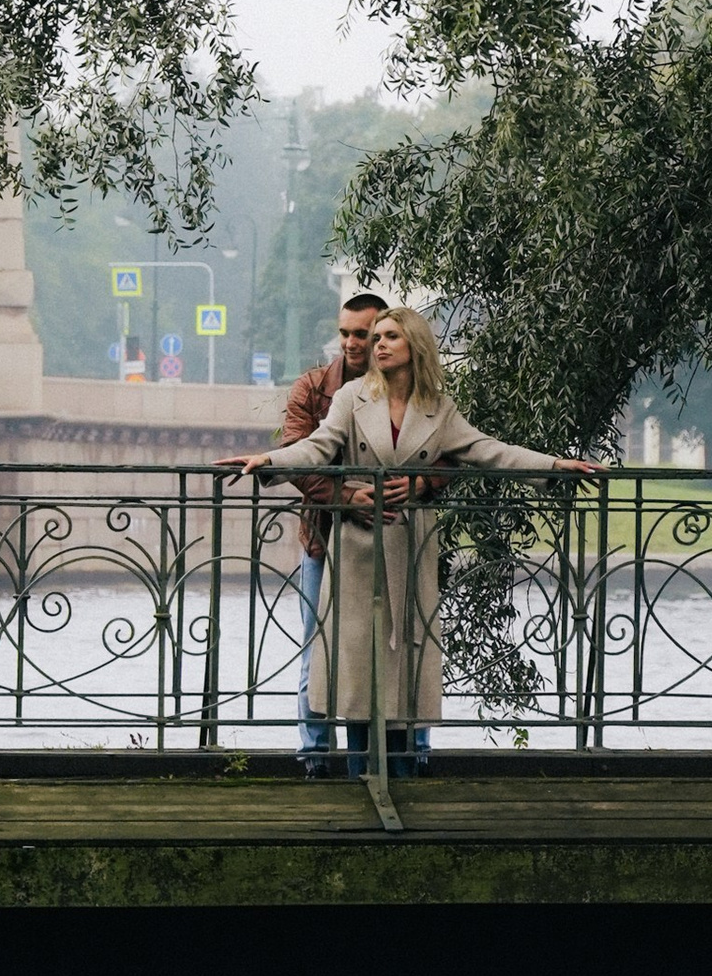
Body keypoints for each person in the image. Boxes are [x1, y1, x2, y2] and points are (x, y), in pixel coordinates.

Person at [248, 306, 602, 774]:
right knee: (356, 663)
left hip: (410, 547)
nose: (378, 345)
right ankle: (360, 776)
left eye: (389, 336)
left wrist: (553, 466)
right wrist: (270, 461)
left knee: (405, 657)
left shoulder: (438, 407)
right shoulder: (352, 397)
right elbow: (317, 446)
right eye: (377, 338)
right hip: (356, 548)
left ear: (414, 345)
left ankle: (404, 774)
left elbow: (487, 450)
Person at [279, 292, 386, 772]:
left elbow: (438, 457)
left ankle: (399, 754)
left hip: (387, 538)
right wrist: (348, 498)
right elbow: (298, 459)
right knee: (316, 644)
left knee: (395, 643)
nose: (350, 343)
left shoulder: (405, 387)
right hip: (323, 536)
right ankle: (315, 756)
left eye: (360, 334)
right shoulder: (313, 387)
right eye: (344, 333)